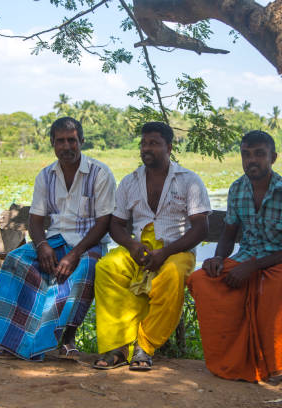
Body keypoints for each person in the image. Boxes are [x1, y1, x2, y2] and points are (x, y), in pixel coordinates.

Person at [0, 117, 116, 361]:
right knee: (16, 261)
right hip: (54, 241)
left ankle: (65, 339)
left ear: (82, 142)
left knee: (85, 269)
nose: (67, 146)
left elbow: (104, 221)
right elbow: (35, 220)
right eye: (61, 141)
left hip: (88, 244)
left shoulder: (99, 173)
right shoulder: (45, 176)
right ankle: (9, 340)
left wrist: (74, 254)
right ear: (53, 144)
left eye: (72, 140)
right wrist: (42, 245)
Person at [93, 122, 211, 371]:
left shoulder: (189, 181)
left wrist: (165, 252)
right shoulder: (129, 182)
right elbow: (116, 225)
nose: (147, 148)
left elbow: (201, 228)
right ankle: (118, 347)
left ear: (169, 147)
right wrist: (132, 246)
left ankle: (144, 347)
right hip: (140, 251)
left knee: (173, 274)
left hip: (176, 251)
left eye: (154, 143)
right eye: (144, 143)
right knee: (107, 267)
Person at [187, 130, 282, 382]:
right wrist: (218, 258)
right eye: (246, 155)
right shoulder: (238, 189)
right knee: (201, 280)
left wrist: (253, 267)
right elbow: (228, 234)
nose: (251, 160)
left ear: (273, 158)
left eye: (259, 154)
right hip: (245, 259)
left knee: (270, 295)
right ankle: (228, 361)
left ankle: (273, 369)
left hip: (278, 262)